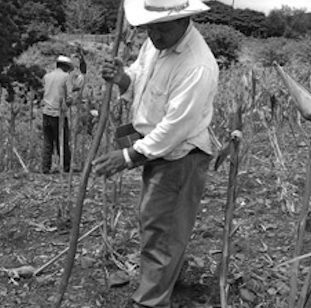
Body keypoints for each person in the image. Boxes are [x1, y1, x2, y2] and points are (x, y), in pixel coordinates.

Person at [92, 0, 219, 307]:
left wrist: (125, 157)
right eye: (150, 27)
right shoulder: (156, 43)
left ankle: (150, 301)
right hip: (158, 151)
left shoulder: (196, 66)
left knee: (161, 230)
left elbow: (173, 130)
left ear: (184, 20)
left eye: (163, 28)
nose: (155, 36)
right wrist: (121, 77)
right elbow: (138, 75)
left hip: (180, 156)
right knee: (159, 224)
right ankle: (165, 283)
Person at [41, 55, 83, 174]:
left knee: (48, 142)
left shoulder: (47, 76)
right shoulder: (66, 77)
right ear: (65, 67)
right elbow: (68, 97)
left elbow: (50, 91)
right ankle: (66, 167)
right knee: (63, 141)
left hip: (46, 112)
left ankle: (45, 167)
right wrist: (70, 103)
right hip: (58, 113)